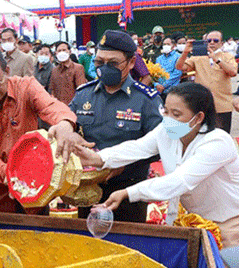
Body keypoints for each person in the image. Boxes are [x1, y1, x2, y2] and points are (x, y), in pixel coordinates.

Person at [75, 82, 239, 237]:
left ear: (198, 118)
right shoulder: (167, 131)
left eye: (176, 114)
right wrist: (98, 158)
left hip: (227, 225)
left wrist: (128, 193)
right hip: (194, 222)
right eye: (166, 111)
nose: (168, 119)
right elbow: (137, 147)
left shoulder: (218, 142)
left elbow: (178, 181)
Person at [0, 45, 81, 213]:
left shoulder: (26, 86)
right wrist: (14, 178)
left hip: (35, 185)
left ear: (7, 71)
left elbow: (51, 106)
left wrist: (65, 123)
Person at [71, 30, 163, 223]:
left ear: (131, 63)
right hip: (88, 189)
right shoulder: (83, 95)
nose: (105, 68)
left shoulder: (146, 99)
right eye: (99, 62)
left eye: (113, 63)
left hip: (128, 190)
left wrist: (124, 165)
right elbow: (69, 127)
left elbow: (162, 146)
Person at [176, 30, 238, 133]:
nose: (212, 42)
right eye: (209, 40)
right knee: (202, 137)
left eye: (215, 40)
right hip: (202, 106)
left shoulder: (227, 56)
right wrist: (185, 52)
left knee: (222, 137)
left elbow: (233, 72)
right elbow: (180, 67)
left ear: (221, 43)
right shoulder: (197, 57)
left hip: (223, 106)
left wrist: (217, 60)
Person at [49, 41, 87, 105]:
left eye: (64, 50)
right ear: (56, 53)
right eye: (59, 51)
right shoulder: (54, 70)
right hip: (58, 108)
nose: (62, 53)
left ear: (69, 52)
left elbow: (81, 91)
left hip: (73, 107)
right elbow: (52, 90)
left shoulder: (78, 68)